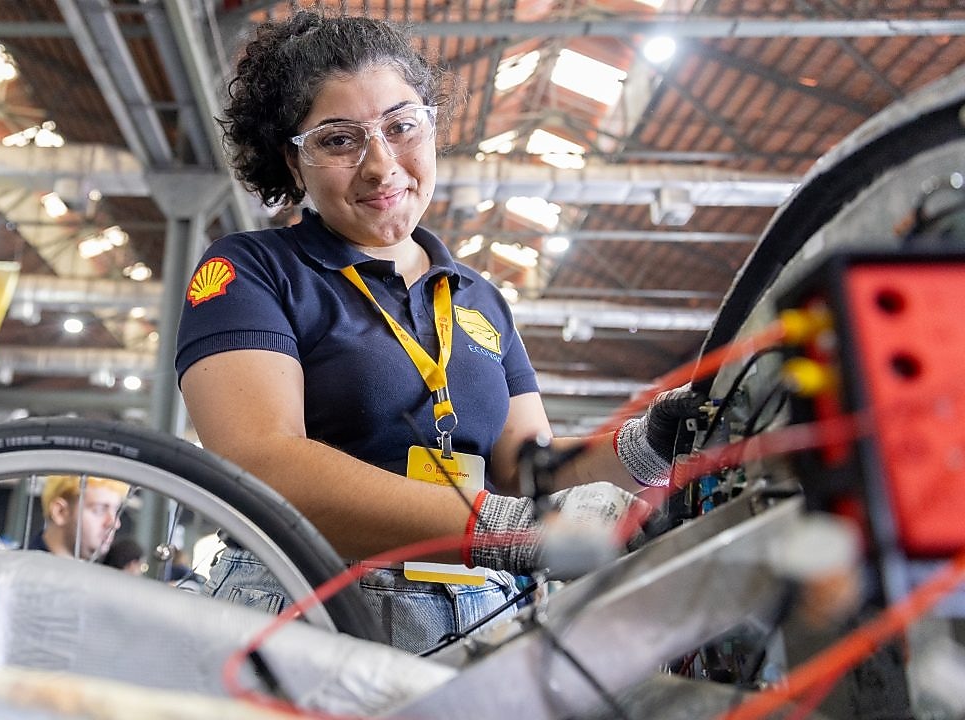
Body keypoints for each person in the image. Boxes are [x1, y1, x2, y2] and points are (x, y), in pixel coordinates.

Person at [175, 12, 701, 653]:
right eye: (340, 140)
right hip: (309, 609)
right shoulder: (251, 269)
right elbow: (262, 461)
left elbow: (524, 471)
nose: (381, 165)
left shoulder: (479, 298)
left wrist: (643, 446)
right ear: (293, 157)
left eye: (401, 127)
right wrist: (506, 528)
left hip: (482, 614)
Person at [33, 474, 128, 561]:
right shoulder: (22, 574)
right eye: (99, 510)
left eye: (116, 511)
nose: (115, 523)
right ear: (60, 512)